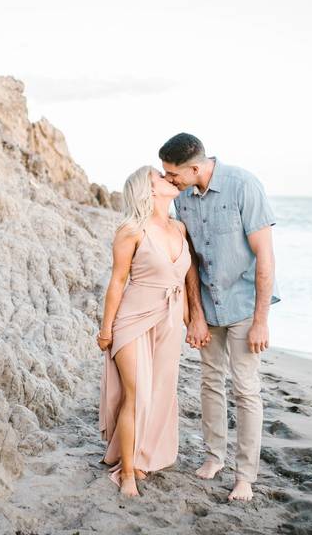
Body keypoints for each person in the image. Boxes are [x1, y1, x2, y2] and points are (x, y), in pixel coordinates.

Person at [159, 133, 280, 502]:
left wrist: (261, 320)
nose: (168, 180)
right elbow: (191, 260)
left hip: (244, 305)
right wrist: (195, 314)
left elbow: (265, 258)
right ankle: (215, 456)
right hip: (208, 307)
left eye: (172, 174)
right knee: (209, 382)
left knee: (245, 388)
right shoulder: (181, 197)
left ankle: (245, 475)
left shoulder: (244, 185)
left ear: (195, 168)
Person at [97, 165, 204, 497]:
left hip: (169, 321)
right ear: (148, 189)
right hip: (133, 319)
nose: (169, 179)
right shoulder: (131, 230)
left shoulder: (180, 227)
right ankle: (127, 472)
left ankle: (141, 458)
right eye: (160, 176)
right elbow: (117, 282)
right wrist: (105, 329)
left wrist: (190, 318)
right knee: (137, 393)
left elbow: (187, 277)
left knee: (160, 392)